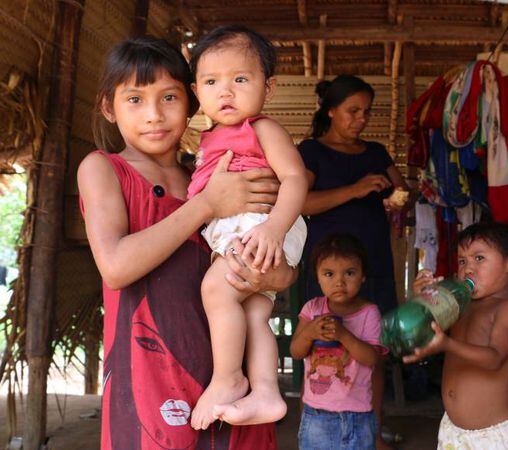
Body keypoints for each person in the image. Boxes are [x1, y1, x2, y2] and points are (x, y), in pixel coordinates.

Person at [78, 36, 295, 449]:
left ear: (192, 103)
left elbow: (278, 258)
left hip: (233, 379)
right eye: (135, 100)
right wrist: (207, 205)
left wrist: (279, 270)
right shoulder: (104, 170)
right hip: (149, 376)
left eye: (169, 97)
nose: (154, 115)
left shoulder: (218, 172)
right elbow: (116, 266)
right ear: (109, 106)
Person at [185, 25, 308, 430]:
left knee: (215, 290)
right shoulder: (205, 140)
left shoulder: (262, 129)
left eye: (240, 79)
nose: (226, 91)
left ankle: (227, 379)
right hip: (247, 229)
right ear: (196, 90)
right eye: (212, 81)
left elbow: (294, 179)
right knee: (254, 312)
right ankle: (267, 392)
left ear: (268, 88)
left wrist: (274, 228)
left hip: (262, 224)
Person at [298, 74, 414, 448]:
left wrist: (400, 197)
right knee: (324, 349)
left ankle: (372, 431)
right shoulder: (312, 152)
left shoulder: (376, 152)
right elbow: (301, 203)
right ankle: (321, 426)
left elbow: (401, 190)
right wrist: (357, 189)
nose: (361, 119)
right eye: (352, 111)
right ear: (331, 111)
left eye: (366, 112)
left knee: (372, 352)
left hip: (372, 264)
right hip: (328, 269)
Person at [404, 222, 508, 450]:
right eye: (462, 261)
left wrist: (446, 344)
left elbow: (494, 358)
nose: (468, 269)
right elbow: (423, 330)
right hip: (453, 432)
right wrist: (422, 299)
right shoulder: (459, 306)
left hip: (492, 438)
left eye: (479, 259)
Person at [290, 233, 387, 450]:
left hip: (359, 416)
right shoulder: (312, 309)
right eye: (329, 274)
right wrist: (309, 334)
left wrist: (344, 335)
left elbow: (372, 358)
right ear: (317, 276)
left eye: (349, 273)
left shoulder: (369, 312)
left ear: (362, 276)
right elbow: (296, 352)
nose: (339, 282)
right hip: (316, 416)